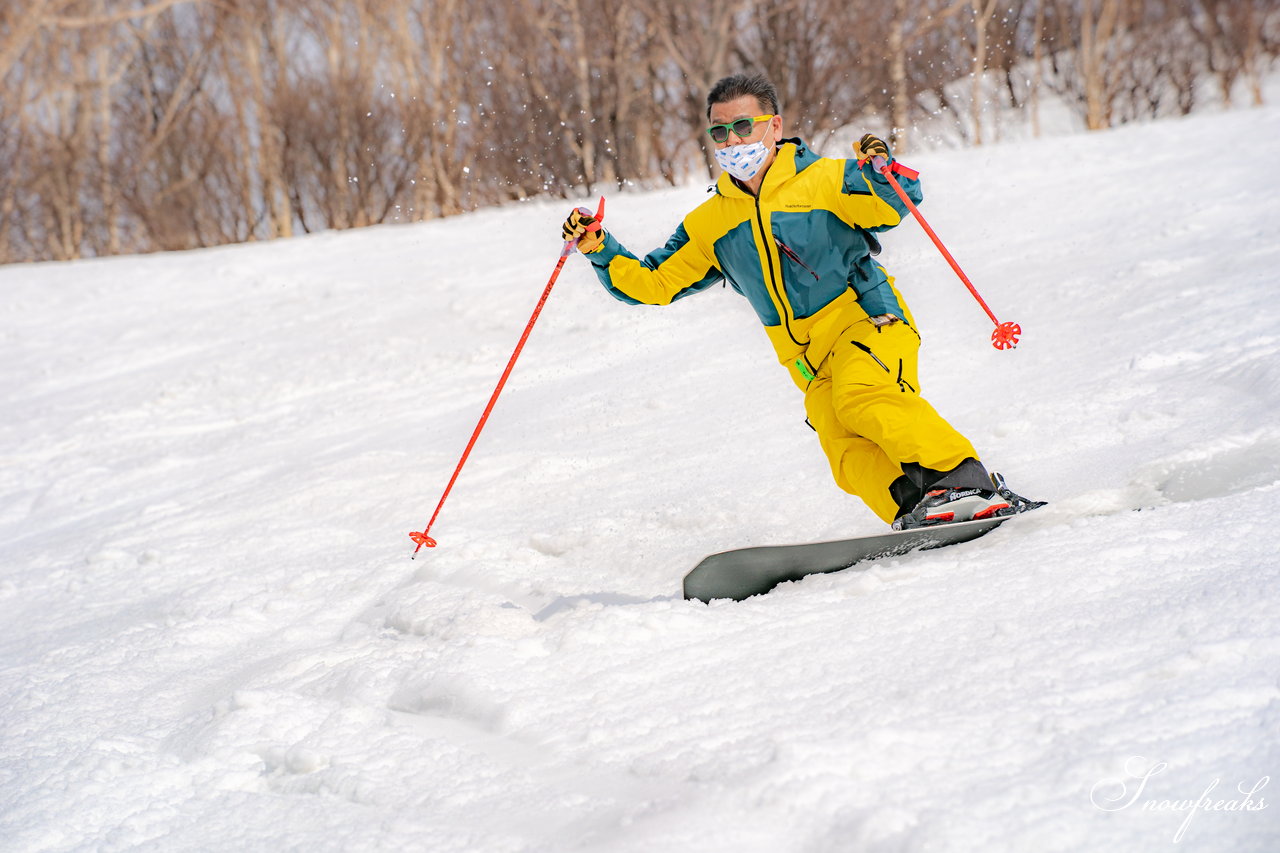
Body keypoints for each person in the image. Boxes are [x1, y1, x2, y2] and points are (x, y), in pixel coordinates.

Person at [561, 72, 1039, 530]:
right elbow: (654, 282)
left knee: (863, 399)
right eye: (721, 132)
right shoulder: (710, 223)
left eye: (744, 127)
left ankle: (963, 483)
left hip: (867, 320)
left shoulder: (826, 180)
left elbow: (895, 201)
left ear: (775, 127)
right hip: (807, 360)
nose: (733, 141)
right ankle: (914, 505)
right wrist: (599, 246)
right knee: (842, 447)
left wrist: (881, 170)